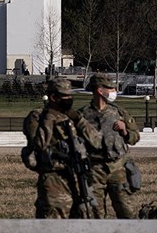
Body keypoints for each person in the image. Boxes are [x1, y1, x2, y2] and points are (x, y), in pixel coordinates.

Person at [33, 77, 102, 219]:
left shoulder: (73, 117)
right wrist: (50, 118)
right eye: (66, 96)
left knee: (85, 218)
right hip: (54, 179)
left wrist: (79, 120)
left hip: (79, 177)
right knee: (55, 222)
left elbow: (96, 142)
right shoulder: (38, 117)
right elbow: (40, 144)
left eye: (71, 96)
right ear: (53, 97)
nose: (69, 99)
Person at [80, 73, 140, 219]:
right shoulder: (82, 115)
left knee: (127, 212)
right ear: (100, 90)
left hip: (118, 168)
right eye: (110, 88)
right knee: (94, 214)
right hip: (94, 171)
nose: (113, 91)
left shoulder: (119, 112)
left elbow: (134, 137)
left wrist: (124, 130)